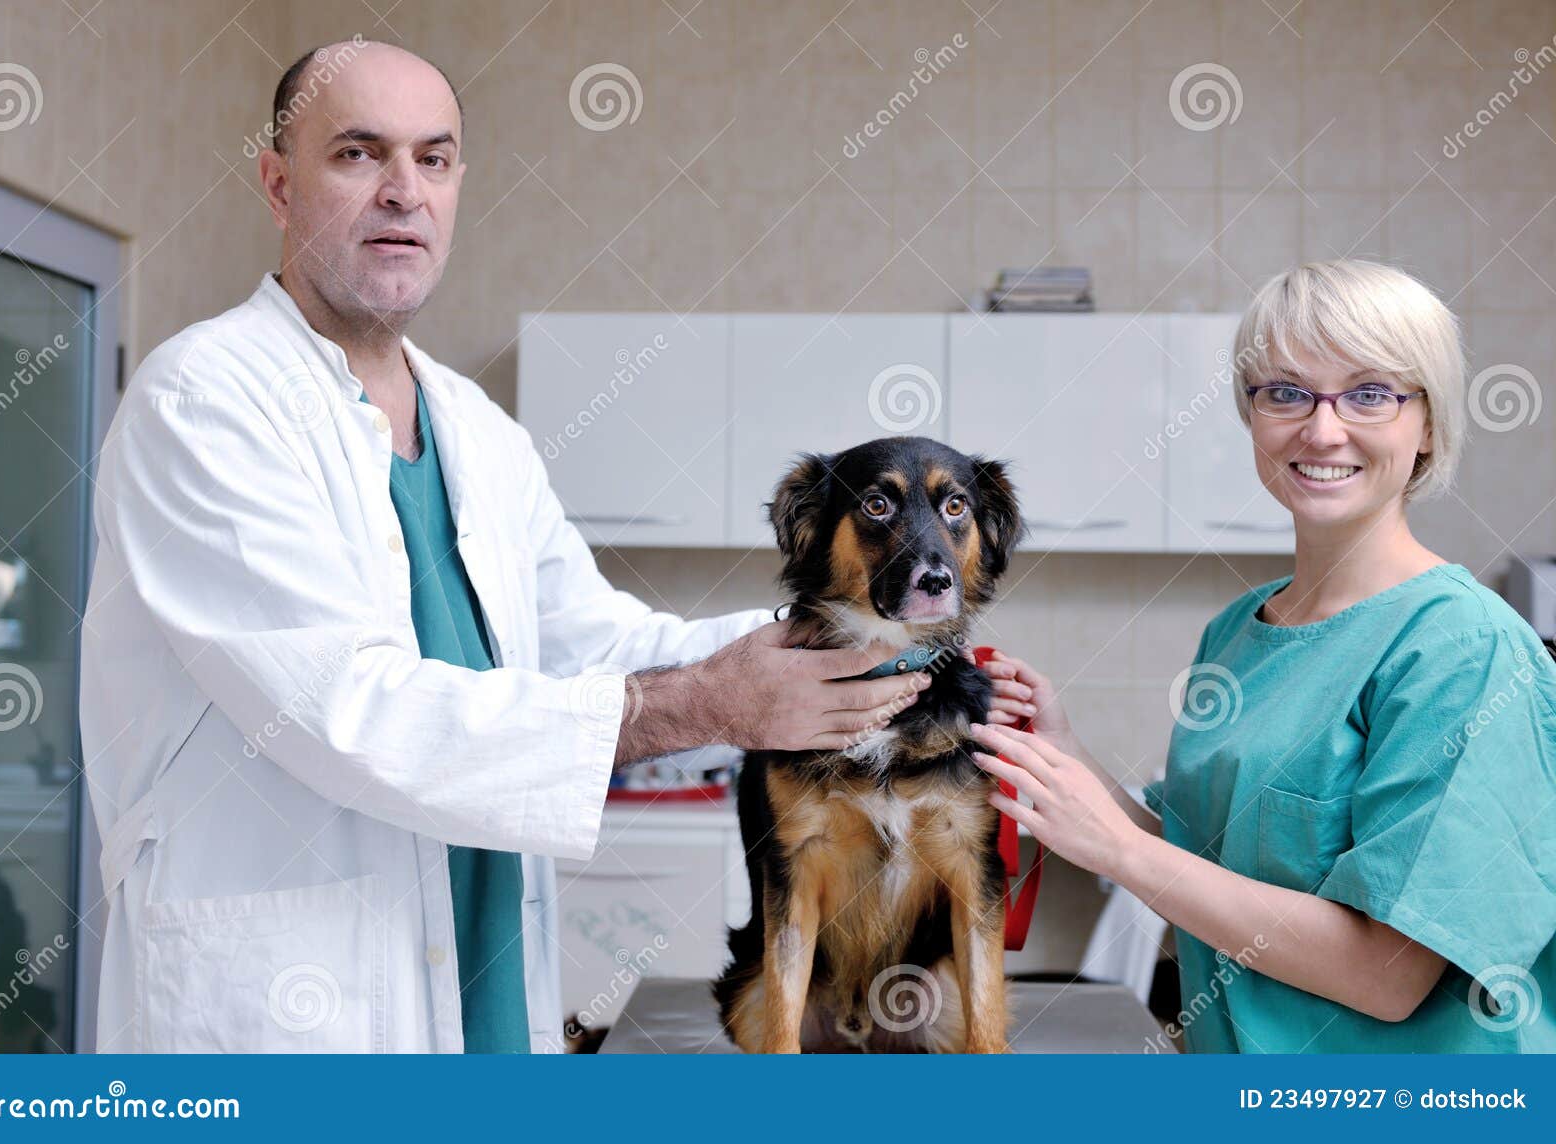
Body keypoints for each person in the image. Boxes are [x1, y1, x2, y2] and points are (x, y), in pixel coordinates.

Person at [79, 41, 928, 1053]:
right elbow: (343, 708)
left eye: (433, 160)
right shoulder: (205, 400)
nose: (403, 191)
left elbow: (599, 642)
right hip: (292, 1010)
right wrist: (705, 704)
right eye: (358, 154)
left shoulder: (475, 427)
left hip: (480, 991)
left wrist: (843, 640)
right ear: (277, 181)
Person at [973, 259, 1556, 1051]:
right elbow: (1199, 871)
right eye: (1285, 392)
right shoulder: (1239, 631)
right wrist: (1065, 753)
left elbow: (1386, 974)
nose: (1321, 429)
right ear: (1251, 415)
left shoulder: (1465, 650)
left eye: (1371, 392)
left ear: (1429, 423)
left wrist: (1119, 849)